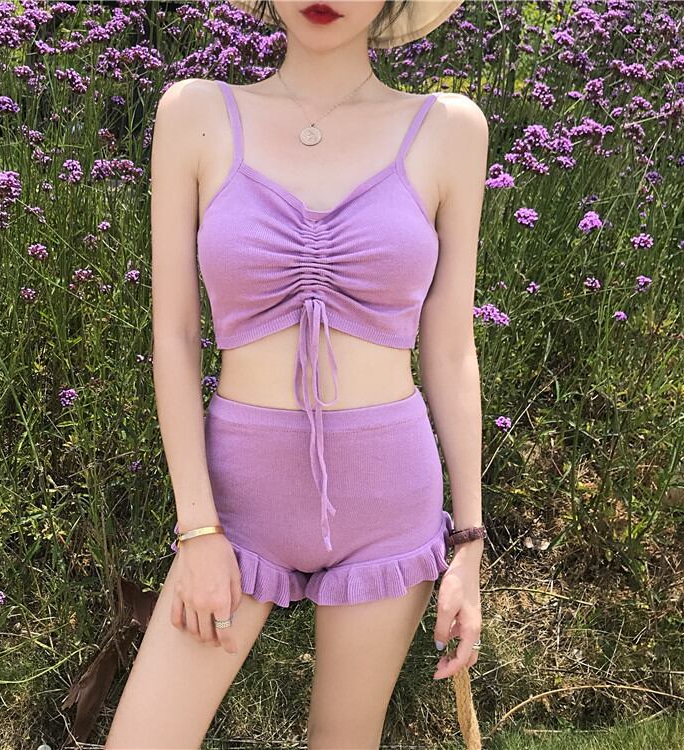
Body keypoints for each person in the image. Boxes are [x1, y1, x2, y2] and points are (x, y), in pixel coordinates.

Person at [105, 1, 488, 748]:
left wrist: (469, 543)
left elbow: (449, 347)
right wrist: (198, 528)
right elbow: (175, 337)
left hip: (388, 498)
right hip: (237, 499)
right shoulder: (195, 114)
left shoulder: (450, 128)